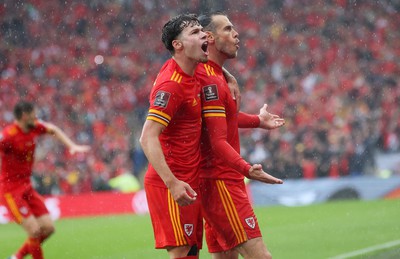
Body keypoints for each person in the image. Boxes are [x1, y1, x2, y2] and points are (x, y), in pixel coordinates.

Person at [196, 11, 285, 259]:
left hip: (214, 181)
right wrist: (246, 169)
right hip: (220, 180)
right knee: (261, 257)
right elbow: (216, 140)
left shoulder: (215, 75)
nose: (236, 34)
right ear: (210, 37)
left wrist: (257, 120)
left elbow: (222, 120)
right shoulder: (210, 79)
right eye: (227, 29)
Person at [139, 13, 209, 259]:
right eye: (194, 32)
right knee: (181, 253)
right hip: (171, 183)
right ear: (177, 45)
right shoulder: (172, 85)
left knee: (190, 253)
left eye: (202, 30)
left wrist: (229, 77)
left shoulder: (194, 70)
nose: (203, 34)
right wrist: (172, 183)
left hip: (189, 180)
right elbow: (147, 137)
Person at [0, 101, 90, 259]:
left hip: (26, 186)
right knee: (34, 230)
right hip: (11, 190)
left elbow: (53, 130)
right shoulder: (9, 136)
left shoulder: (33, 127)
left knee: (48, 228)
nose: (36, 117)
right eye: (33, 114)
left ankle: (16, 257)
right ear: (24, 116)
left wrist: (71, 146)